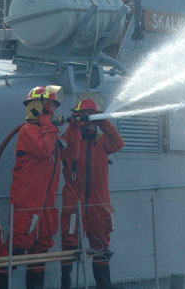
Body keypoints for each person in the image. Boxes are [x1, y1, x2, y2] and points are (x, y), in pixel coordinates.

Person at [0, 85, 77, 289]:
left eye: (55, 106)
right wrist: (49, 123)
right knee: (17, 245)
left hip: (46, 205)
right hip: (28, 203)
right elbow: (45, 149)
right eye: (51, 105)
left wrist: (75, 126)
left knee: (41, 249)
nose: (54, 109)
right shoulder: (28, 131)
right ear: (39, 106)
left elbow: (71, 154)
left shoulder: (50, 133)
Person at [60, 95, 125, 289]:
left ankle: (104, 284)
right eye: (85, 118)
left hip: (99, 203)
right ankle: (66, 284)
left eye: (92, 119)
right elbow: (67, 150)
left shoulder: (103, 142)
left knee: (101, 245)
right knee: (69, 245)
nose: (89, 124)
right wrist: (74, 126)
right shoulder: (71, 141)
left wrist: (104, 122)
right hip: (75, 202)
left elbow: (119, 143)